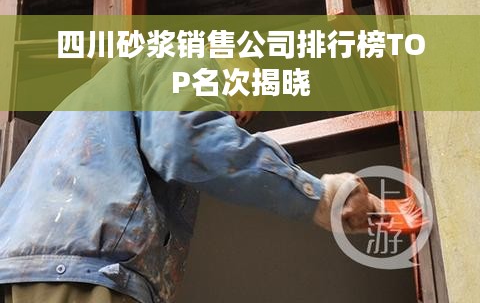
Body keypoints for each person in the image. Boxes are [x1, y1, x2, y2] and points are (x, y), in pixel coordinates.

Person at [0, 51, 381, 303]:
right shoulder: (183, 60)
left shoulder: (83, 115)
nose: (236, 122)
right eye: (237, 109)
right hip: (82, 274)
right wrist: (319, 196)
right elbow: (189, 141)